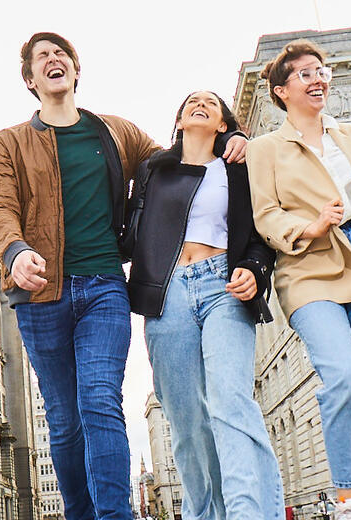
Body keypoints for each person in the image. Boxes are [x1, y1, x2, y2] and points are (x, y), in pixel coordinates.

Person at [0, 32, 245, 520]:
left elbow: (181, 156)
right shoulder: (7, 143)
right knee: (64, 420)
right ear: (30, 79)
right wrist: (15, 252)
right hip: (41, 296)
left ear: (76, 71)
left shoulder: (116, 133)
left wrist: (230, 138)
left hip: (104, 288)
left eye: (62, 55)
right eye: (42, 57)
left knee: (100, 401)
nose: (54, 60)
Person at [247, 39, 351, 520]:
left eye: (321, 70)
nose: (317, 78)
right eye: (304, 73)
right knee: (344, 376)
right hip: (308, 266)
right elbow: (265, 215)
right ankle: (346, 497)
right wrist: (310, 226)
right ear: (281, 91)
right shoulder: (266, 149)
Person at [125, 90, 283, 520]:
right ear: (178, 121)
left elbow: (261, 230)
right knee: (188, 422)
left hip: (223, 286)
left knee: (232, 401)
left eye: (211, 103)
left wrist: (254, 267)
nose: (200, 104)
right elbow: (129, 231)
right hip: (168, 292)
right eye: (191, 101)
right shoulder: (153, 169)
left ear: (222, 123)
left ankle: (254, 513)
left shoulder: (239, 167)